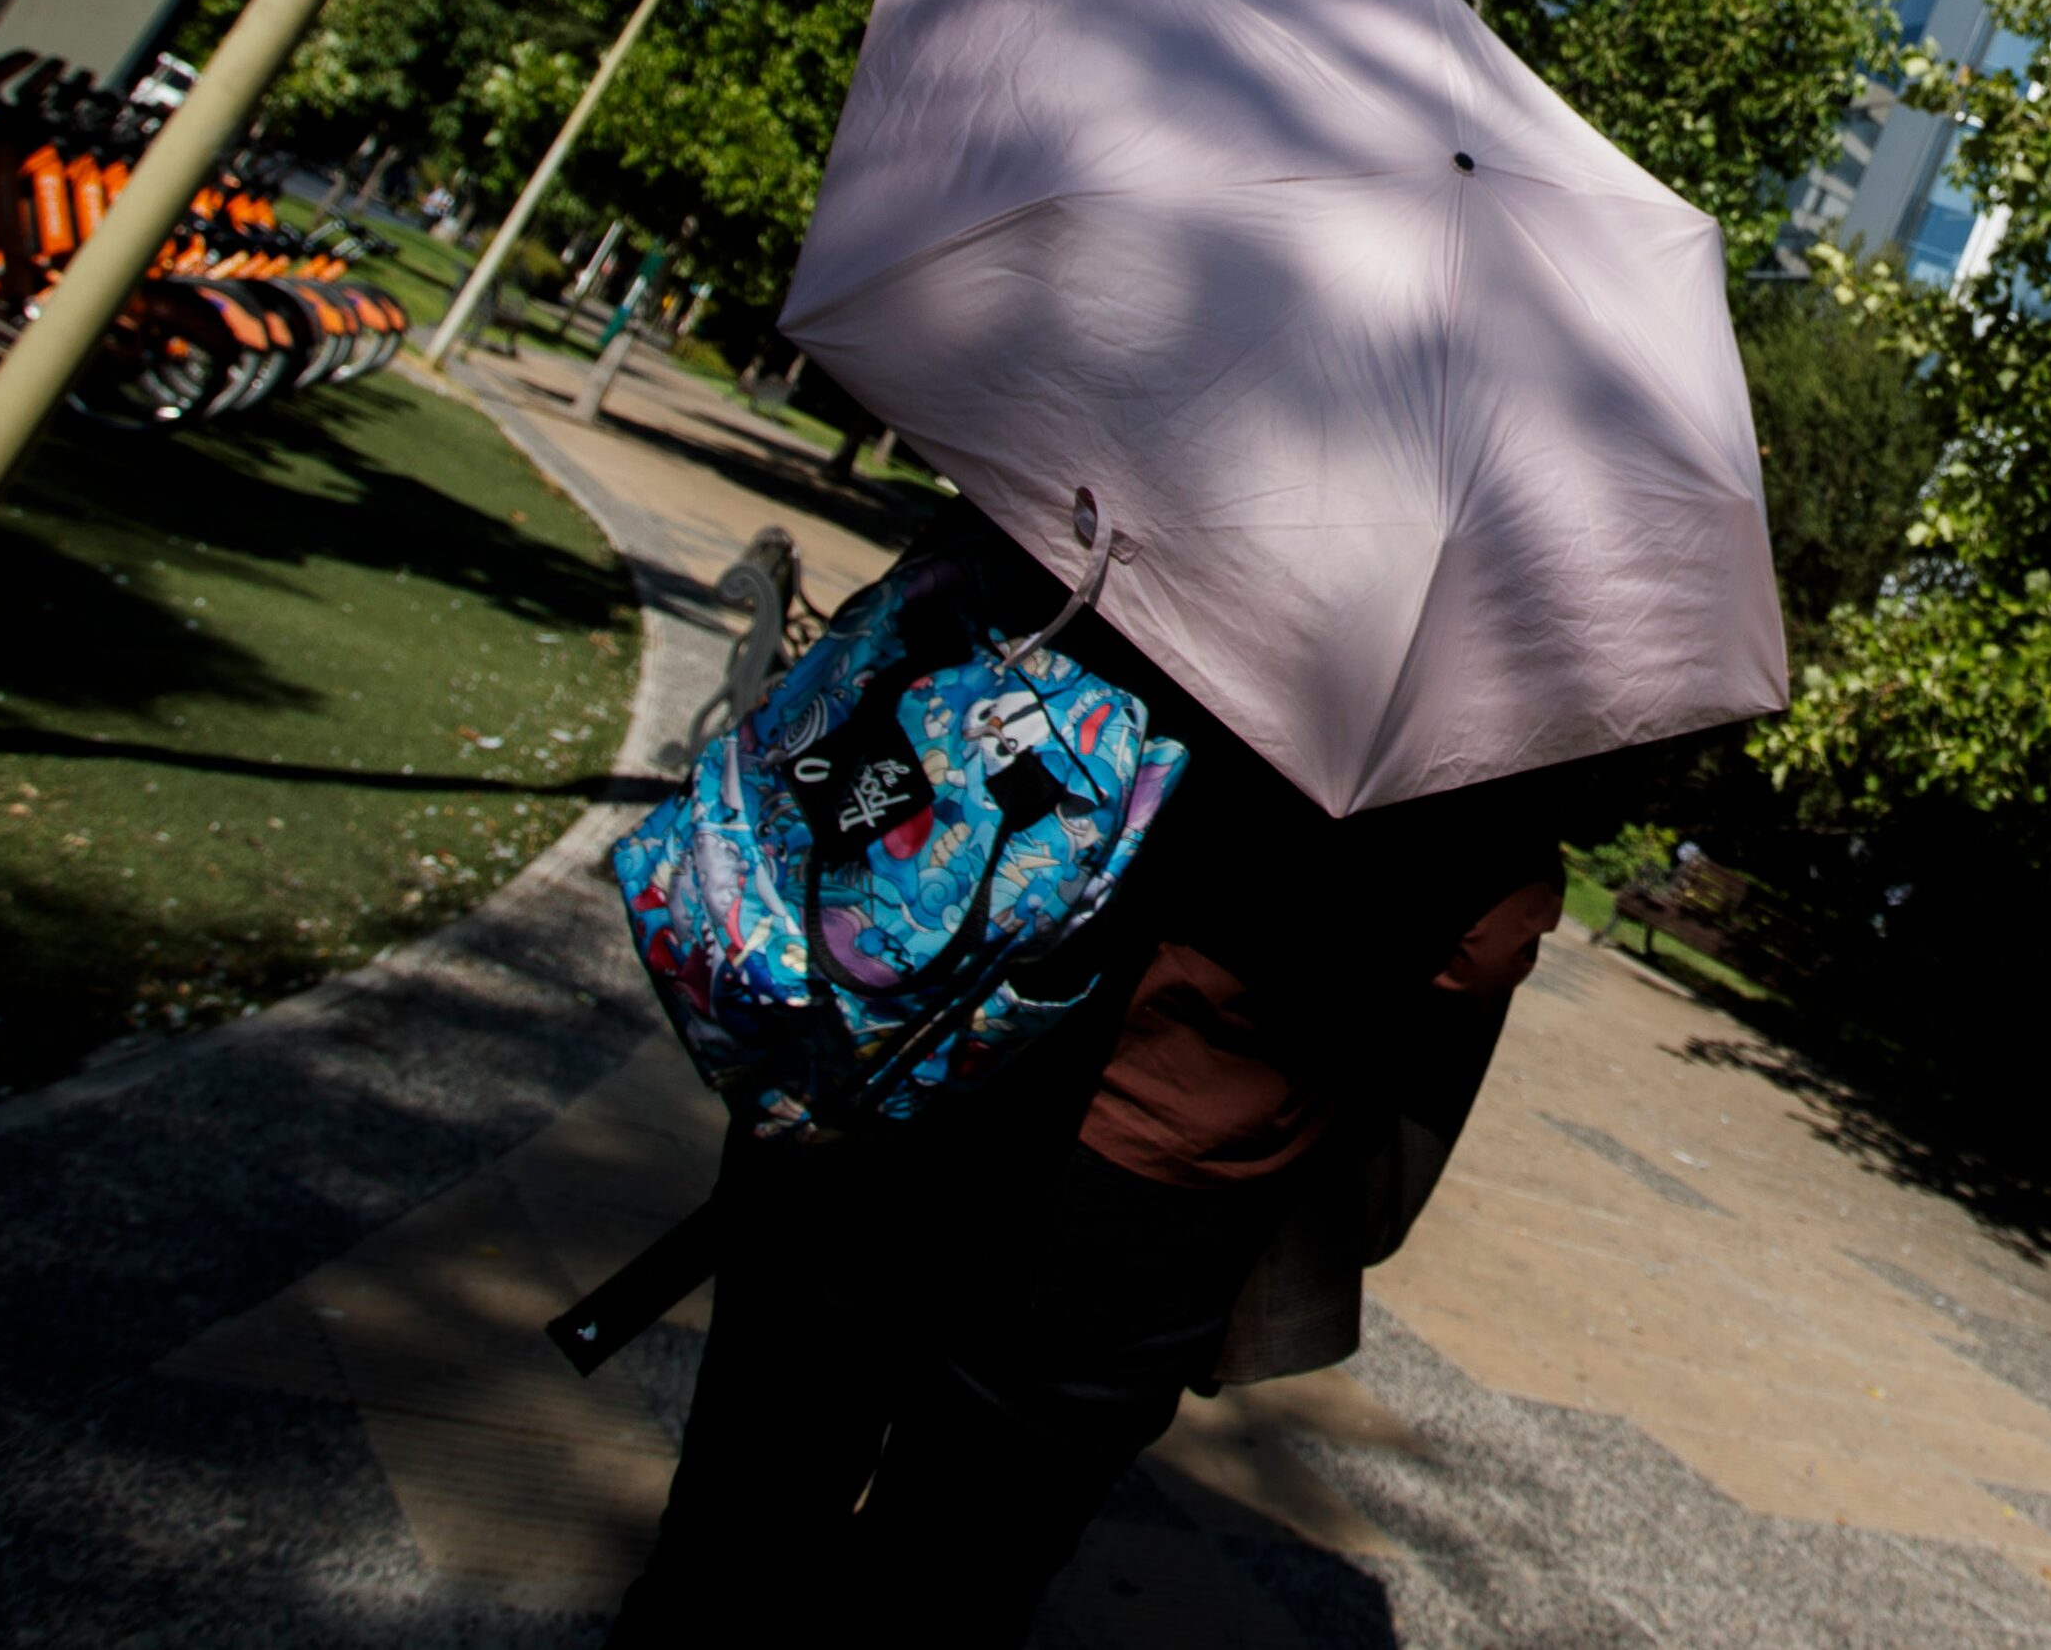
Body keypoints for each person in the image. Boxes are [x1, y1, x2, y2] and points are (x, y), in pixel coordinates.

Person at [603, 508, 1659, 1645]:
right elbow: (1482, 948)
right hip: (1133, 1190)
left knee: (740, 1511)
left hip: (897, 1058)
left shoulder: (1140, 464)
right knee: (937, 1594)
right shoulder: (1475, 662)